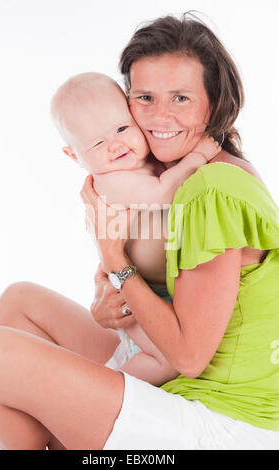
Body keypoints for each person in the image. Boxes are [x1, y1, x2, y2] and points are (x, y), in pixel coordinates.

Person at [0, 13, 279, 451]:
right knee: (18, 302)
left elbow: (189, 357)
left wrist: (115, 261)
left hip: (222, 420)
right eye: (144, 97)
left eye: (180, 98)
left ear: (213, 103)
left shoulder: (211, 189)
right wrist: (112, 298)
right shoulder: (179, 168)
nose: (160, 116)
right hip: (175, 383)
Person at [50, 71, 221, 382]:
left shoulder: (144, 161)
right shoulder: (110, 181)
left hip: (157, 291)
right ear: (73, 155)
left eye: (122, 128)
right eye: (98, 142)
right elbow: (162, 192)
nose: (115, 146)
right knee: (165, 362)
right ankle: (104, 389)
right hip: (132, 297)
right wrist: (198, 156)